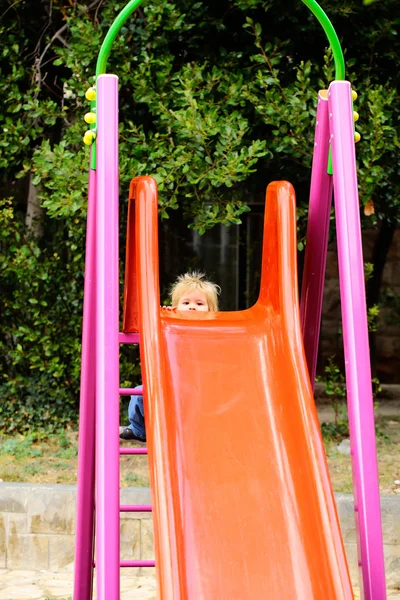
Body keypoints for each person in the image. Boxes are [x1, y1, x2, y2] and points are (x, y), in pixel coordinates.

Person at [119, 271, 220, 442]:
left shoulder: (212, 331)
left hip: (198, 392)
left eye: (199, 303)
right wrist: (162, 318)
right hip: (169, 389)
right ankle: (138, 430)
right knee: (138, 393)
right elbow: (152, 338)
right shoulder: (169, 328)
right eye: (186, 302)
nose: (192, 307)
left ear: (211, 310)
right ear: (175, 307)